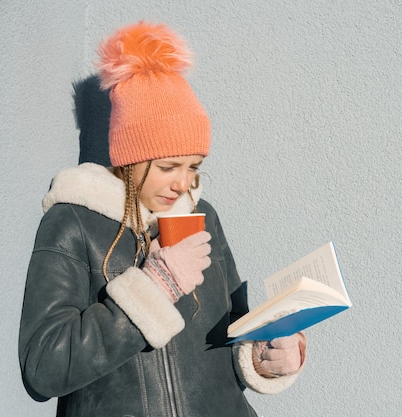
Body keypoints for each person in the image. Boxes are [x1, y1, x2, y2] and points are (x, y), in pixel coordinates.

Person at [19, 21, 307, 417]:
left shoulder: (203, 216)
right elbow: (42, 369)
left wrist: (265, 355)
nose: (183, 183)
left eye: (194, 166)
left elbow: (226, 333)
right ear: (131, 157)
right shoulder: (73, 224)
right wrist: (156, 287)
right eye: (169, 166)